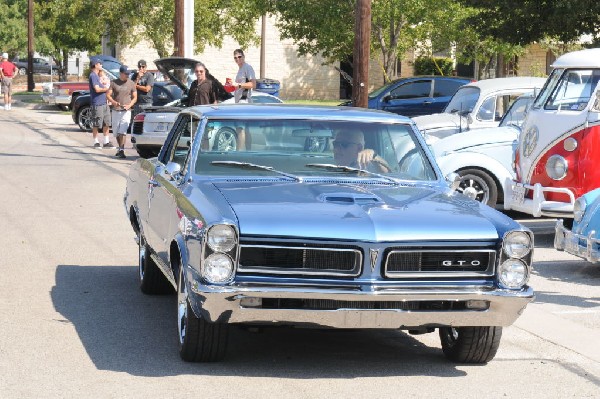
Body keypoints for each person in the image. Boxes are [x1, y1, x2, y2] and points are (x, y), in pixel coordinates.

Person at [107, 65, 137, 159]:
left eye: (128, 74)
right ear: (121, 73)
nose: (128, 75)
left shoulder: (131, 83)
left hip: (126, 110)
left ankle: (121, 150)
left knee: (122, 131)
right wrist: (114, 102)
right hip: (116, 110)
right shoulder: (114, 83)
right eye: (126, 74)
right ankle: (120, 149)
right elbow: (108, 95)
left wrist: (130, 105)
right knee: (116, 132)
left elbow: (135, 97)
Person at [88, 57, 114, 148]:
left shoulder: (98, 75)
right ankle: (96, 142)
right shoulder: (93, 76)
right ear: (95, 65)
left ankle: (106, 142)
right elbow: (97, 89)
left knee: (106, 122)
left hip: (104, 102)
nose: (101, 65)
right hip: (97, 103)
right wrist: (106, 89)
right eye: (100, 64)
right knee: (96, 123)